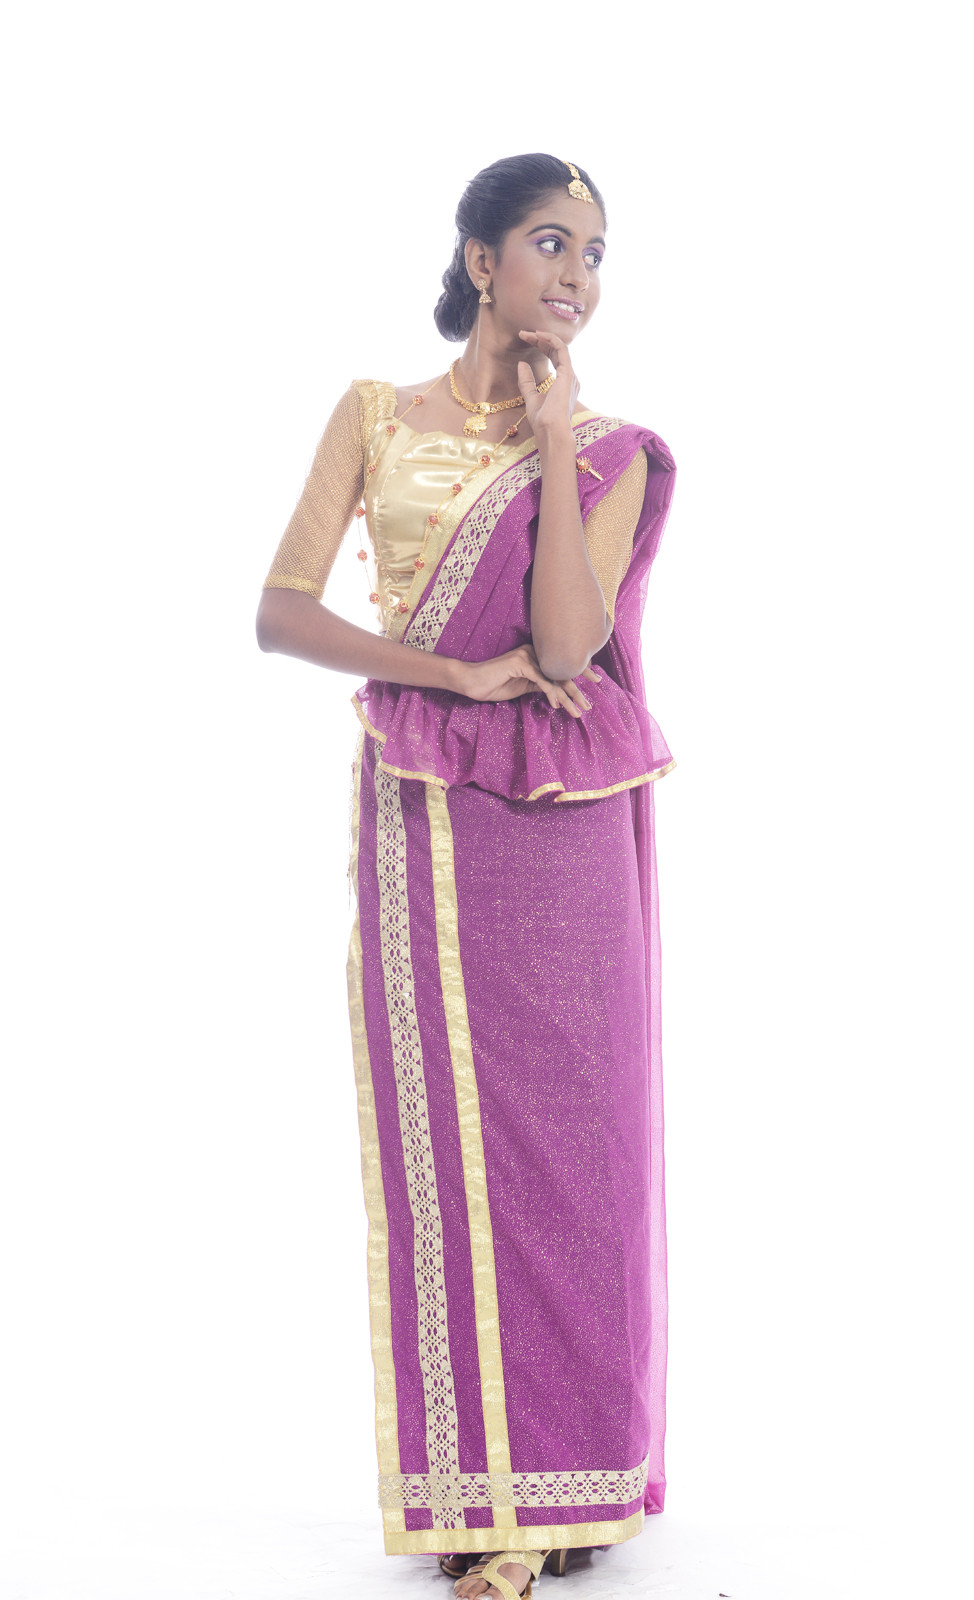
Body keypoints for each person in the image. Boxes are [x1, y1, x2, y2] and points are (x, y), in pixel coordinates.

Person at [256, 154, 677, 1600]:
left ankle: (574, 1482)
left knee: (575, 1148)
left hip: (565, 841)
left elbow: (562, 650)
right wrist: (443, 670)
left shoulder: (615, 452)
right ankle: (478, 1495)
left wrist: (554, 448)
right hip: (424, 812)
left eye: (596, 254)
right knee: (445, 1142)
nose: (577, 277)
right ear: (480, 259)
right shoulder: (375, 416)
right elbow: (282, 611)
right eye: (551, 243)